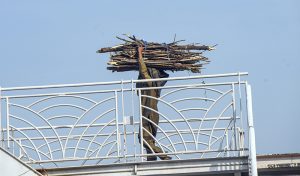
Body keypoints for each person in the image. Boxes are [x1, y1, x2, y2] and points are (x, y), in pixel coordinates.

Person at [136, 46, 172, 161]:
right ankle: (151, 159)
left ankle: (163, 155)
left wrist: (140, 53)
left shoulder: (149, 82)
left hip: (148, 114)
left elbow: (143, 70)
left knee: (142, 138)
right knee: (149, 139)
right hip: (154, 115)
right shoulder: (156, 86)